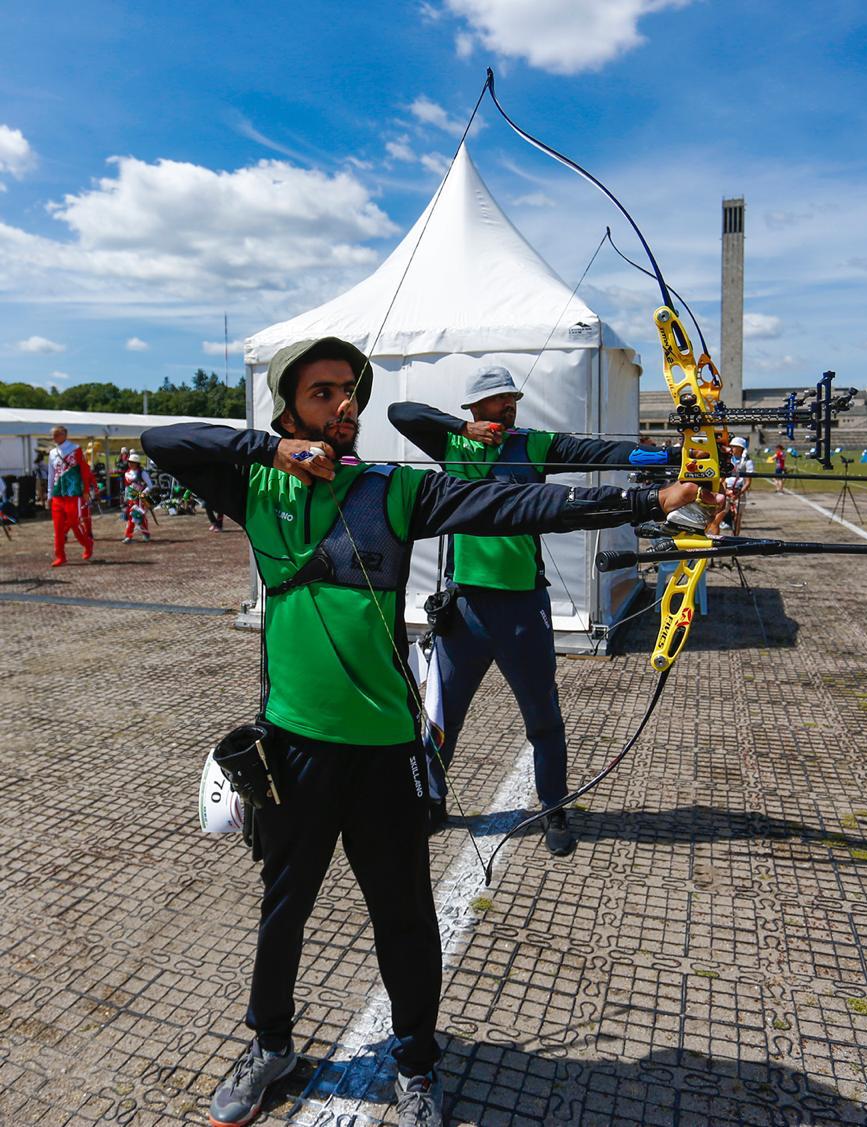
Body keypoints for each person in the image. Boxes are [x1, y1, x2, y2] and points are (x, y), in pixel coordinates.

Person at [143, 338, 702, 1127]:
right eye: (322, 393)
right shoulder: (257, 485)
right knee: (284, 906)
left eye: (350, 392)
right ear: (288, 408)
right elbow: (159, 442)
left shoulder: (392, 490)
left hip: (382, 753)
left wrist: (648, 502)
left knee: (402, 915)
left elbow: (518, 504)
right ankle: (272, 1047)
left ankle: (415, 1063)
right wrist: (276, 449)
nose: (345, 405)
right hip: (293, 746)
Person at [387, 365, 680, 856]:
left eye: (512, 398)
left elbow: (594, 452)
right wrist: (461, 430)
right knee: (442, 719)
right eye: (498, 400)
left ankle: (553, 808)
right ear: (475, 407)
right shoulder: (453, 447)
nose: (509, 406)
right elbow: (401, 413)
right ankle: (431, 802)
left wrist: (668, 454)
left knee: (543, 718)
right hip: (465, 610)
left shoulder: (532, 445)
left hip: (522, 609)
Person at [46, 425, 96, 566]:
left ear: (64, 434)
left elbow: (84, 471)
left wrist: (86, 491)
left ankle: (87, 544)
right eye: (52, 435)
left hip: (72, 493)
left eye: (56, 434)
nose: (53, 437)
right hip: (57, 493)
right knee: (58, 527)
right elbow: (51, 474)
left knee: (74, 523)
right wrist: (49, 495)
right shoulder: (52, 453)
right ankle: (60, 556)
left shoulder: (76, 449)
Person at [120, 452, 153, 542]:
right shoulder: (127, 473)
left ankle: (146, 534)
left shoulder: (142, 473)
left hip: (140, 499)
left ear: (136, 463)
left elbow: (150, 485)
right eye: (129, 461)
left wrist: (143, 494)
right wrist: (126, 498)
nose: (130, 463)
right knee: (131, 517)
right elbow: (127, 486)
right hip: (131, 499)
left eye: (132, 462)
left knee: (139, 516)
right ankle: (128, 536)